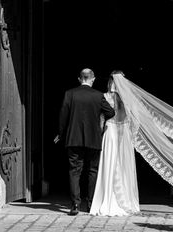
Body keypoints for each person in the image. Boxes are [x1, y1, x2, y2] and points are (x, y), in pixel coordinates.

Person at [56, 68, 115, 216]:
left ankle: (75, 204)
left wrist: (61, 134)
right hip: (93, 138)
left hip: (73, 138)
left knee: (74, 171)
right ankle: (91, 205)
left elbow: (63, 116)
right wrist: (99, 122)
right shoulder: (98, 95)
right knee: (92, 171)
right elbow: (111, 112)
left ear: (79, 79)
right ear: (93, 79)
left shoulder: (70, 94)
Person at [90, 71, 140, 216]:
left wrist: (99, 134)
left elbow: (100, 120)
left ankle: (109, 198)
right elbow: (136, 120)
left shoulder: (105, 97)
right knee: (124, 166)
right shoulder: (129, 99)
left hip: (110, 131)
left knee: (110, 163)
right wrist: (132, 135)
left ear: (110, 81)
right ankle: (127, 199)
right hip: (124, 133)